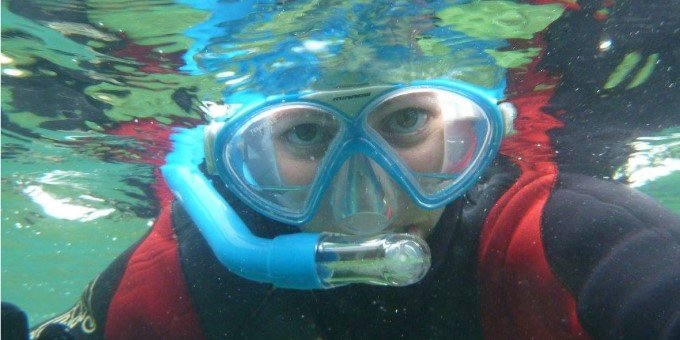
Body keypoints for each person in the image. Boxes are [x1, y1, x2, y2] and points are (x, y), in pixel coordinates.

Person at [20, 0, 680, 339]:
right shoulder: (175, 280)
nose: (370, 194)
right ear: (234, 156)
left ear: (481, 135)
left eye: (408, 122)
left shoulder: (561, 239)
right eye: (306, 133)